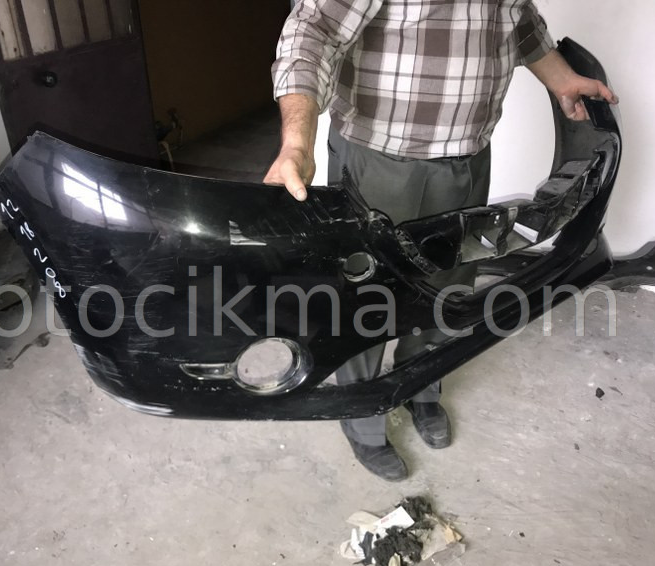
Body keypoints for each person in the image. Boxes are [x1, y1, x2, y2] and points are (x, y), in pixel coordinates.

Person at [265, 0, 618, 481]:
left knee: (448, 289)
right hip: (380, 159)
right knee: (368, 301)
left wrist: (562, 79)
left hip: (469, 157)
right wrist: (296, 141)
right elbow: (314, 29)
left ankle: (422, 385)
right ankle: (362, 414)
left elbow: (516, 17)